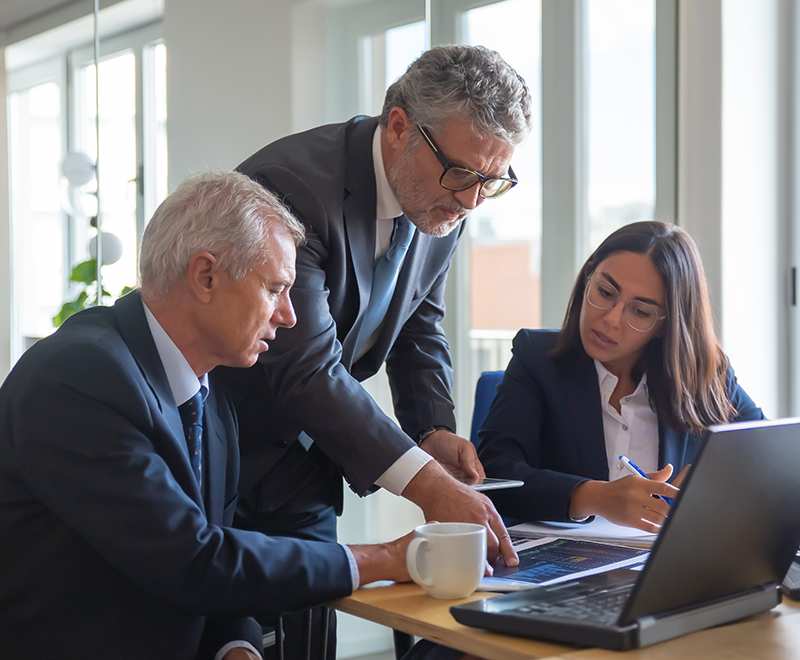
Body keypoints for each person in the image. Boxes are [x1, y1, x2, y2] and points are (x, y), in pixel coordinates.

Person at [0, 172, 414, 660]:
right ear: (206, 276)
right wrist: (381, 559)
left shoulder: (212, 397)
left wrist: (236, 647)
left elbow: (220, 556)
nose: (289, 316)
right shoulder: (78, 375)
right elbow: (192, 560)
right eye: (276, 288)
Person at [213, 45, 533, 554]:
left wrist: (432, 430)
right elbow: (306, 369)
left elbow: (418, 326)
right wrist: (427, 483)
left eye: (491, 182)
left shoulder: (442, 201)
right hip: (220, 449)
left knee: (312, 616)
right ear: (401, 126)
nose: (472, 201)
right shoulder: (292, 188)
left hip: (311, 455)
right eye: (462, 173)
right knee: (222, 627)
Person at [478, 221, 765, 532]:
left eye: (640, 311)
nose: (611, 319)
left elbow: (771, 457)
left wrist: (712, 486)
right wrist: (593, 496)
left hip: (666, 567)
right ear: (588, 277)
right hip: (566, 565)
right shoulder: (536, 359)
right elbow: (495, 474)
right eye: (605, 291)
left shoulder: (704, 374)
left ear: (666, 325)